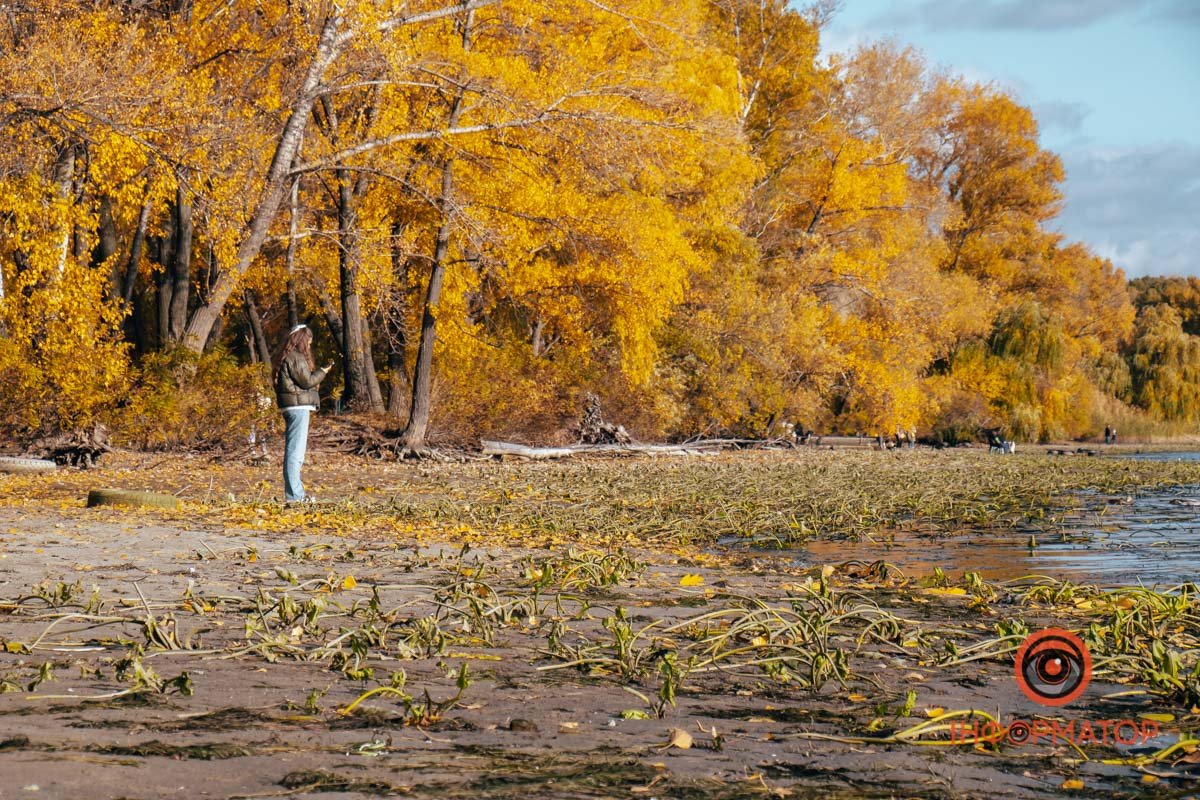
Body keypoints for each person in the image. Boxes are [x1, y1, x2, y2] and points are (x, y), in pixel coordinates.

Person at [272, 324, 333, 504]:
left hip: (293, 406)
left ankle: (295, 494)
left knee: (295, 451)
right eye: (309, 340)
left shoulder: (286, 356)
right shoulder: (296, 357)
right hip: (298, 407)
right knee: (295, 453)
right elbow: (306, 382)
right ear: (302, 340)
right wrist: (323, 371)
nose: (310, 343)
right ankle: (295, 496)